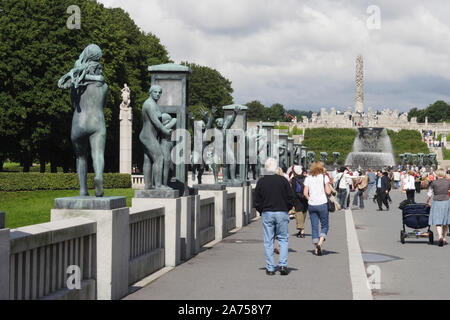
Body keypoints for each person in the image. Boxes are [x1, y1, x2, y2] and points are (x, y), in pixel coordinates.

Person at [254, 158, 295, 276]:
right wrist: (287, 208)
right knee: (283, 239)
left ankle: (270, 267)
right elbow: (290, 197)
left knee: (268, 240)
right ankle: (283, 265)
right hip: (282, 211)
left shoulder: (261, 181)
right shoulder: (283, 180)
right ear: (276, 168)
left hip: (267, 212)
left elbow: (256, 200)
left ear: (266, 168)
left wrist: (261, 210)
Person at [303, 162, 332, 256]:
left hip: (312, 204)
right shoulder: (324, 177)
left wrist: (309, 199)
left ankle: (316, 248)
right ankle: (320, 243)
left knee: (314, 227)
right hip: (322, 203)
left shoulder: (308, 178)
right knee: (325, 226)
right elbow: (328, 192)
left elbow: (305, 193)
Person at [426, 169, 450, 247]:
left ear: (437, 174)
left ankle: (439, 236)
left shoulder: (433, 182)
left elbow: (429, 194)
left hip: (436, 202)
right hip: (446, 201)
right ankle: (444, 238)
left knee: (438, 221)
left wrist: (427, 202)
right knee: (446, 221)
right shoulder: (448, 182)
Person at [291, 166, 309, 239]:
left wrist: (292, 200)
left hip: (297, 198)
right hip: (305, 197)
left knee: (298, 212)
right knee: (304, 212)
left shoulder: (294, 179)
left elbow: (293, 190)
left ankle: (302, 230)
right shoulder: (306, 178)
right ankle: (301, 229)